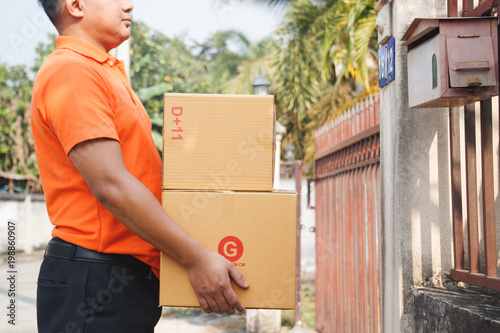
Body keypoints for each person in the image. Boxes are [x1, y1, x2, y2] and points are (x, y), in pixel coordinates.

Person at [31, 0, 249, 332]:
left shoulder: (103, 71)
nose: (129, 5)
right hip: (96, 277)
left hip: (116, 277)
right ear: (75, 5)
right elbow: (112, 186)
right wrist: (196, 259)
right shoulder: (72, 71)